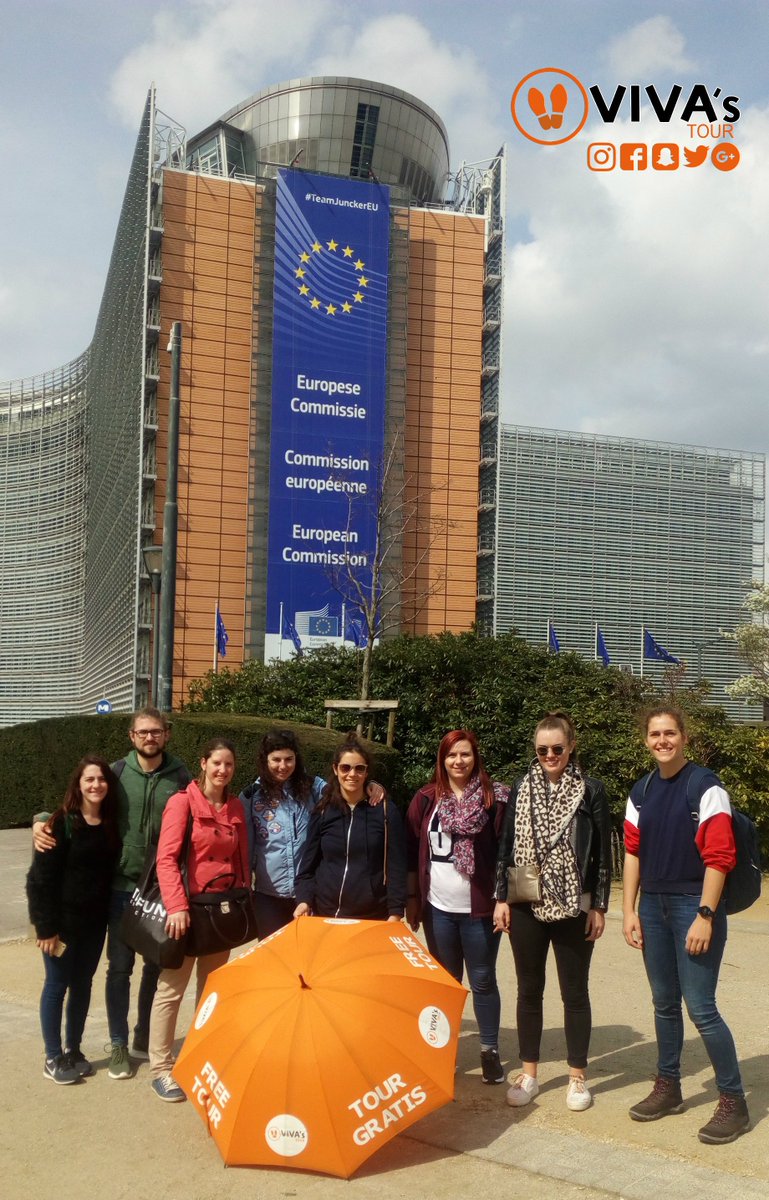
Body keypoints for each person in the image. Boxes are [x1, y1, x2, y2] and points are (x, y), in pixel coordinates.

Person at [32, 707, 191, 1080]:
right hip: (119, 890)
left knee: (155, 969)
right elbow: (78, 802)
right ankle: (118, 1043)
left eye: (156, 731)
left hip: (159, 890)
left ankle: (142, 1037)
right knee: (119, 969)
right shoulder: (116, 774)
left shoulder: (182, 777)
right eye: (142, 732)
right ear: (131, 736)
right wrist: (42, 820)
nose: (149, 737)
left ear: (166, 735)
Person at [622, 705, 750, 1144]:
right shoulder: (640, 791)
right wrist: (629, 909)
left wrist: (705, 915)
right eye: (655, 733)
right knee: (662, 1002)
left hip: (692, 905)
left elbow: (720, 856)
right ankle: (669, 1086)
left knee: (701, 1008)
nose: (663, 740)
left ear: (684, 738)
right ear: (646, 740)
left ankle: (734, 1101)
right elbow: (632, 852)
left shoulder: (705, 786)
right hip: (653, 905)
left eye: (670, 733)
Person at [493, 711, 611, 1111]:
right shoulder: (521, 788)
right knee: (529, 991)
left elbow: (601, 856)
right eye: (542, 749)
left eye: (557, 748)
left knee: (574, 993)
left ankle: (577, 1077)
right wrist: (500, 899)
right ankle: (530, 1073)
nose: (550, 755)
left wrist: (598, 905)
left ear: (571, 746)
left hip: (574, 903)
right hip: (526, 900)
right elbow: (506, 845)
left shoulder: (591, 790)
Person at [405, 730, 509, 1085]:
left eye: (465, 755)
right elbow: (411, 851)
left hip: (479, 908)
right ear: (442, 759)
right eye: (452, 755)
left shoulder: (493, 799)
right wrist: (413, 900)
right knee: (446, 984)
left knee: (482, 980)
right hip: (438, 909)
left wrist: (502, 900)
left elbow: (504, 855)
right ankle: (444, 1052)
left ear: (475, 758)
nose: (458, 762)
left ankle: (490, 1050)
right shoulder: (425, 799)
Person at [148, 737, 249, 1102]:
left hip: (220, 910)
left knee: (211, 992)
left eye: (229, 765)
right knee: (172, 989)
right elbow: (166, 858)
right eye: (217, 763)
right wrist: (176, 906)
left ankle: (199, 1056)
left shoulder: (236, 805)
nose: (223, 770)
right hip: (187, 912)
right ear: (203, 763)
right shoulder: (182, 803)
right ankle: (160, 1068)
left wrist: (241, 897)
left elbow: (240, 859)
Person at [27, 755, 121, 1084]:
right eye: (89, 780)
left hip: (94, 926)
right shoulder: (60, 823)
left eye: (101, 780)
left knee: (82, 986)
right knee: (56, 987)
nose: (96, 785)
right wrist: (46, 928)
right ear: (78, 785)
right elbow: (39, 880)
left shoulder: (110, 824)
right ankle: (52, 1057)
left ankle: (74, 1050)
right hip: (62, 927)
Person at [293, 734, 406, 922]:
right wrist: (304, 900)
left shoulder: (386, 812)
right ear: (335, 769)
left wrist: (395, 912)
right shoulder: (323, 811)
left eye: (359, 768)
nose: (352, 774)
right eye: (345, 767)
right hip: (325, 913)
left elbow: (396, 867)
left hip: (371, 916)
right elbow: (308, 866)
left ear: (367, 772)